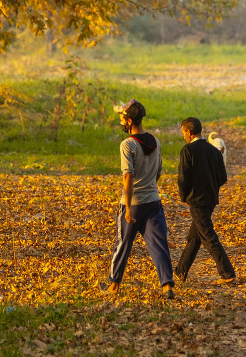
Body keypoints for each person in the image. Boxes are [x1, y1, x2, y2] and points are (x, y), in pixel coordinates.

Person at [100, 98, 175, 299]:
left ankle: (114, 285)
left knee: (123, 244)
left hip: (132, 204)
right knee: (160, 244)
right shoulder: (156, 142)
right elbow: (159, 172)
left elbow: (128, 176)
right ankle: (167, 286)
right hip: (153, 202)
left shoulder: (127, 145)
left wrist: (128, 208)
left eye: (123, 119)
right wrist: (150, 186)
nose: (122, 122)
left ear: (130, 122)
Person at [175, 117, 236, 284]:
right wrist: (211, 187)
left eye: (183, 133)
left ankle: (227, 273)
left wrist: (184, 197)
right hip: (210, 199)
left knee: (208, 236)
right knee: (195, 237)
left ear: (188, 132)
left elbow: (183, 178)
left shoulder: (187, 150)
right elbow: (222, 177)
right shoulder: (214, 151)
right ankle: (179, 273)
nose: (184, 136)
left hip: (196, 200)